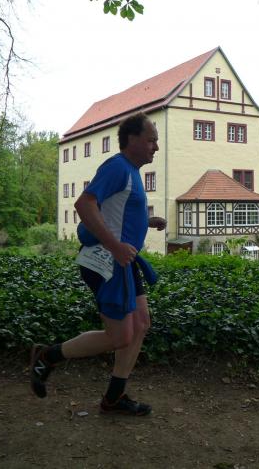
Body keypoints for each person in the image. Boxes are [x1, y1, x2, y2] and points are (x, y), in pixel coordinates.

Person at [29, 112, 166, 416]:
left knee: (141, 324)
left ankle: (114, 397)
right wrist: (115, 245)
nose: (156, 147)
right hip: (107, 263)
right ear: (132, 139)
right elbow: (84, 203)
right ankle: (47, 356)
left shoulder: (131, 172)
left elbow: (113, 210)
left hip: (124, 262)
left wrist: (146, 221)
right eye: (151, 140)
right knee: (120, 336)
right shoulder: (117, 166)